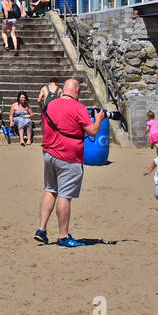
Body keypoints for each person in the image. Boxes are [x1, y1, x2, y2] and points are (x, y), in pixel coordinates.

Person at [34, 77, 100, 247]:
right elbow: (92, 131)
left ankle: (41, 229)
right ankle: (63, 236)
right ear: (77, 91)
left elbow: (44, 126)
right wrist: (99, 118)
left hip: (49, 153)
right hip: (68, 156)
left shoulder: (49, 105)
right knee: (65, 195)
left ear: (63, 90)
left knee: (50, 190)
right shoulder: (78, 107)